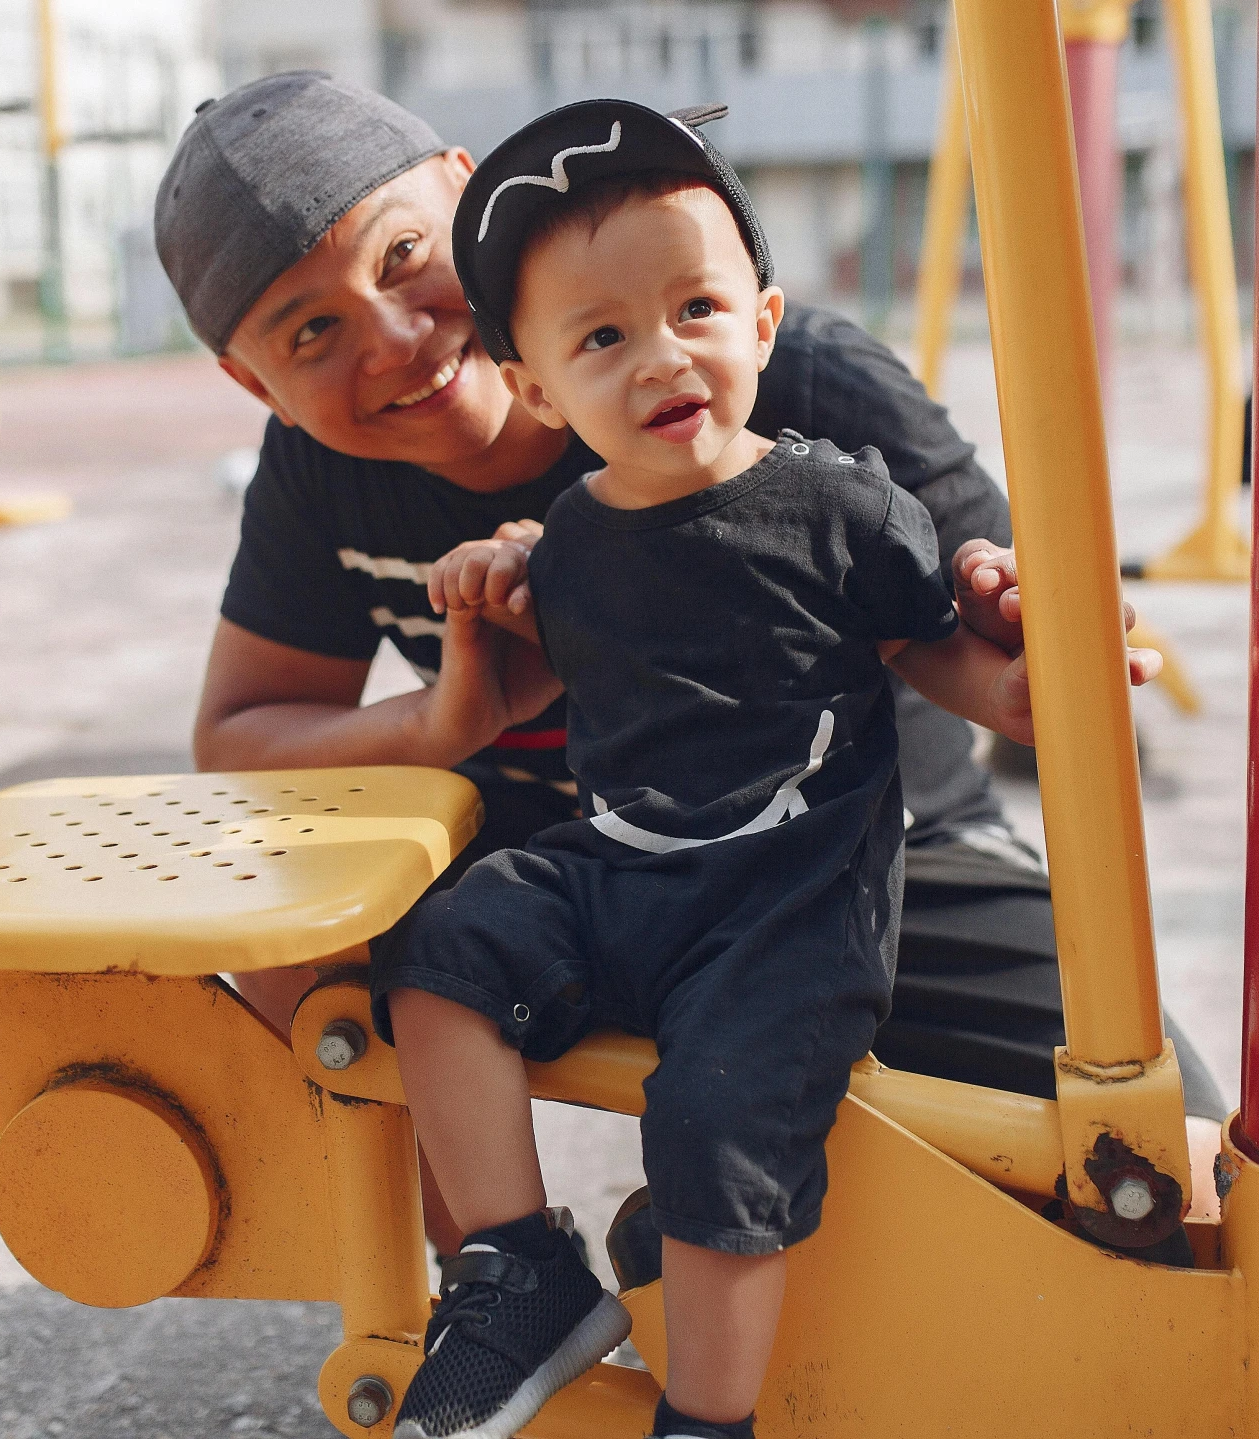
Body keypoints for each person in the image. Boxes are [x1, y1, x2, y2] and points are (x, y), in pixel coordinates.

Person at [155, 71, 1227, 1234]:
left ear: (467, 193)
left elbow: (1002, 603)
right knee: (298, 945)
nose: (399, 340)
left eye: (405, 255)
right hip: (574, 866)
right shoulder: (321, 471)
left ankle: (786, 1230)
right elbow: (243, 737)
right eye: (312, 332)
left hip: (853, 841)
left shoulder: (788, 383)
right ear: (249, 381)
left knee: (1178, 1178)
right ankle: (495, 1290)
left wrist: (1023, 613)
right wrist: (439, 725)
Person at [369, 102, 1167, 1439]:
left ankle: (707, 1417)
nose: (661, 354)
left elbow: (931, 651)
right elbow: (556, 657)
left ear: (764, 320)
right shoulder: (566, 536)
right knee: (441, 950)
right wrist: (488, 589)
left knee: (717, 1115)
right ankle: (517, 1266)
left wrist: (1029, 689)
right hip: (622, 867)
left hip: (790, 899)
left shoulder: (839, 503)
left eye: (694, 306)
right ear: (539, 389)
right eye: (602, 337)